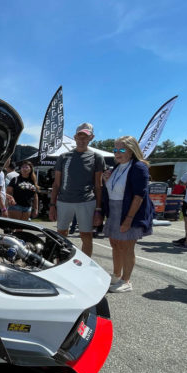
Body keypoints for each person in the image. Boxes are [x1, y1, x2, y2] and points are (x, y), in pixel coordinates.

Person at [101, 137, 154, 293]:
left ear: (132, 150)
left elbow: (139, 196)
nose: (117, 153)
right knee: (115, 244)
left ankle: (126, 281)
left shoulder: (139, 167)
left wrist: (128, 219)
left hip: (130, 211)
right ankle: (116, 275)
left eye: (121, 150)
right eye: (115, 150)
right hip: (114, 209)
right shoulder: (116, 167)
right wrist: (106, 180)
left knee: (127, 247)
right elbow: (112, 190)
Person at [49, 122, 105, 257]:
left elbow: (98, 186)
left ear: (91, 137)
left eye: (85, 137)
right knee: (61, 234)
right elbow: (56, 184)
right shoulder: (64, 157)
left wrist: (98, 209)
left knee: (86, 235)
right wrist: (52, 205)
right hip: (64, 201)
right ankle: (61, 261)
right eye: (79, 137)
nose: (82, 140)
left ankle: (85, 266)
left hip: (86, 201)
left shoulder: (97, 157)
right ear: (75, 137)